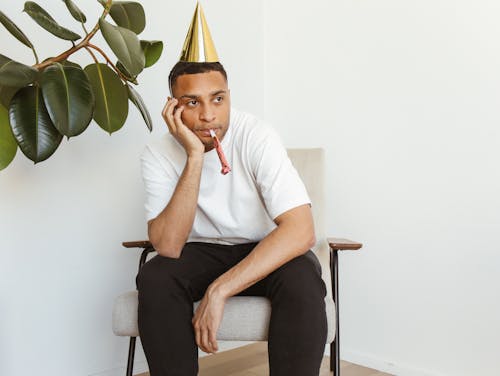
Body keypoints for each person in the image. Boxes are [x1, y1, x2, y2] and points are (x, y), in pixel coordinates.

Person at [136, 3, 327, 375]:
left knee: (304, 276)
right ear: (172, 107)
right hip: (200, 252)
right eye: (193, 102)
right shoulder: (158, 154)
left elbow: (301, 229)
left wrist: (219, 290)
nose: (209, 115)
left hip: (262, 249)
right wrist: (194, 157)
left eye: (218, 99)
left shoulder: (256, 135)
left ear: (229, 97)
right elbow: (169, 245)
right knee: (156, 275)